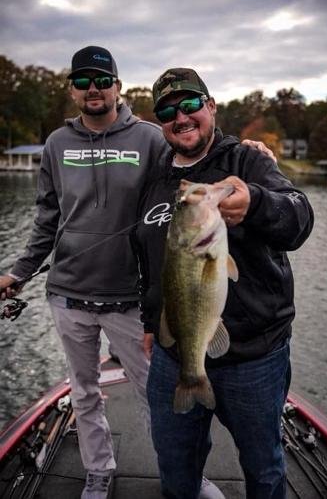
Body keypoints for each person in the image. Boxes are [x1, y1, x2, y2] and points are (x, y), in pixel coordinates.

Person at [135, 68, 314, 499]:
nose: (181, 117)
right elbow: (146, 257)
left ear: (211, 107)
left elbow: (299, 219)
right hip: (173, 356)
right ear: (160, 122)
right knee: (176, 469)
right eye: (167, 111)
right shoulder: (156, 177)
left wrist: (256, 203)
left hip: (255, 357)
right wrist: (148, 321)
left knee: (264, 467)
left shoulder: (248, 161)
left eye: (191, 104)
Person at [0, 45, 169, 499]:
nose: (93, 89)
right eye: (82, 81)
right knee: (84, 392)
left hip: (131, 299)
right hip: (68, 296)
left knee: (157, 395)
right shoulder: (57, 144)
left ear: (117, 84)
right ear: (72, 90)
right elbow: (46, 217)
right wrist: (18, 271)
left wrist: (248, 154)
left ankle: (181, 474)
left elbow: (191, 171)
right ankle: (98, 469)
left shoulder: (151, 139)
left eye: (101, 79)